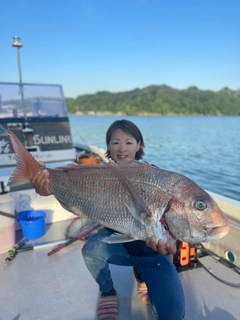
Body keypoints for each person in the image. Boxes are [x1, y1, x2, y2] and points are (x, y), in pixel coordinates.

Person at [31, 120, 185, 320]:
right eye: (115, 142)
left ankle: (142, 278)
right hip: (120, 247)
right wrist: (48, 186)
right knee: (92, 249)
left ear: (139, 146)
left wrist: (173, 240)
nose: (122, 149)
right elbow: (77, 198)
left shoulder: (154, 176)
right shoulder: (99, 174)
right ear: (108, 146)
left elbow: (170, 221)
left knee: (173, 315)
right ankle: (107, 291)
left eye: (129, 142)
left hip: (153, 255)